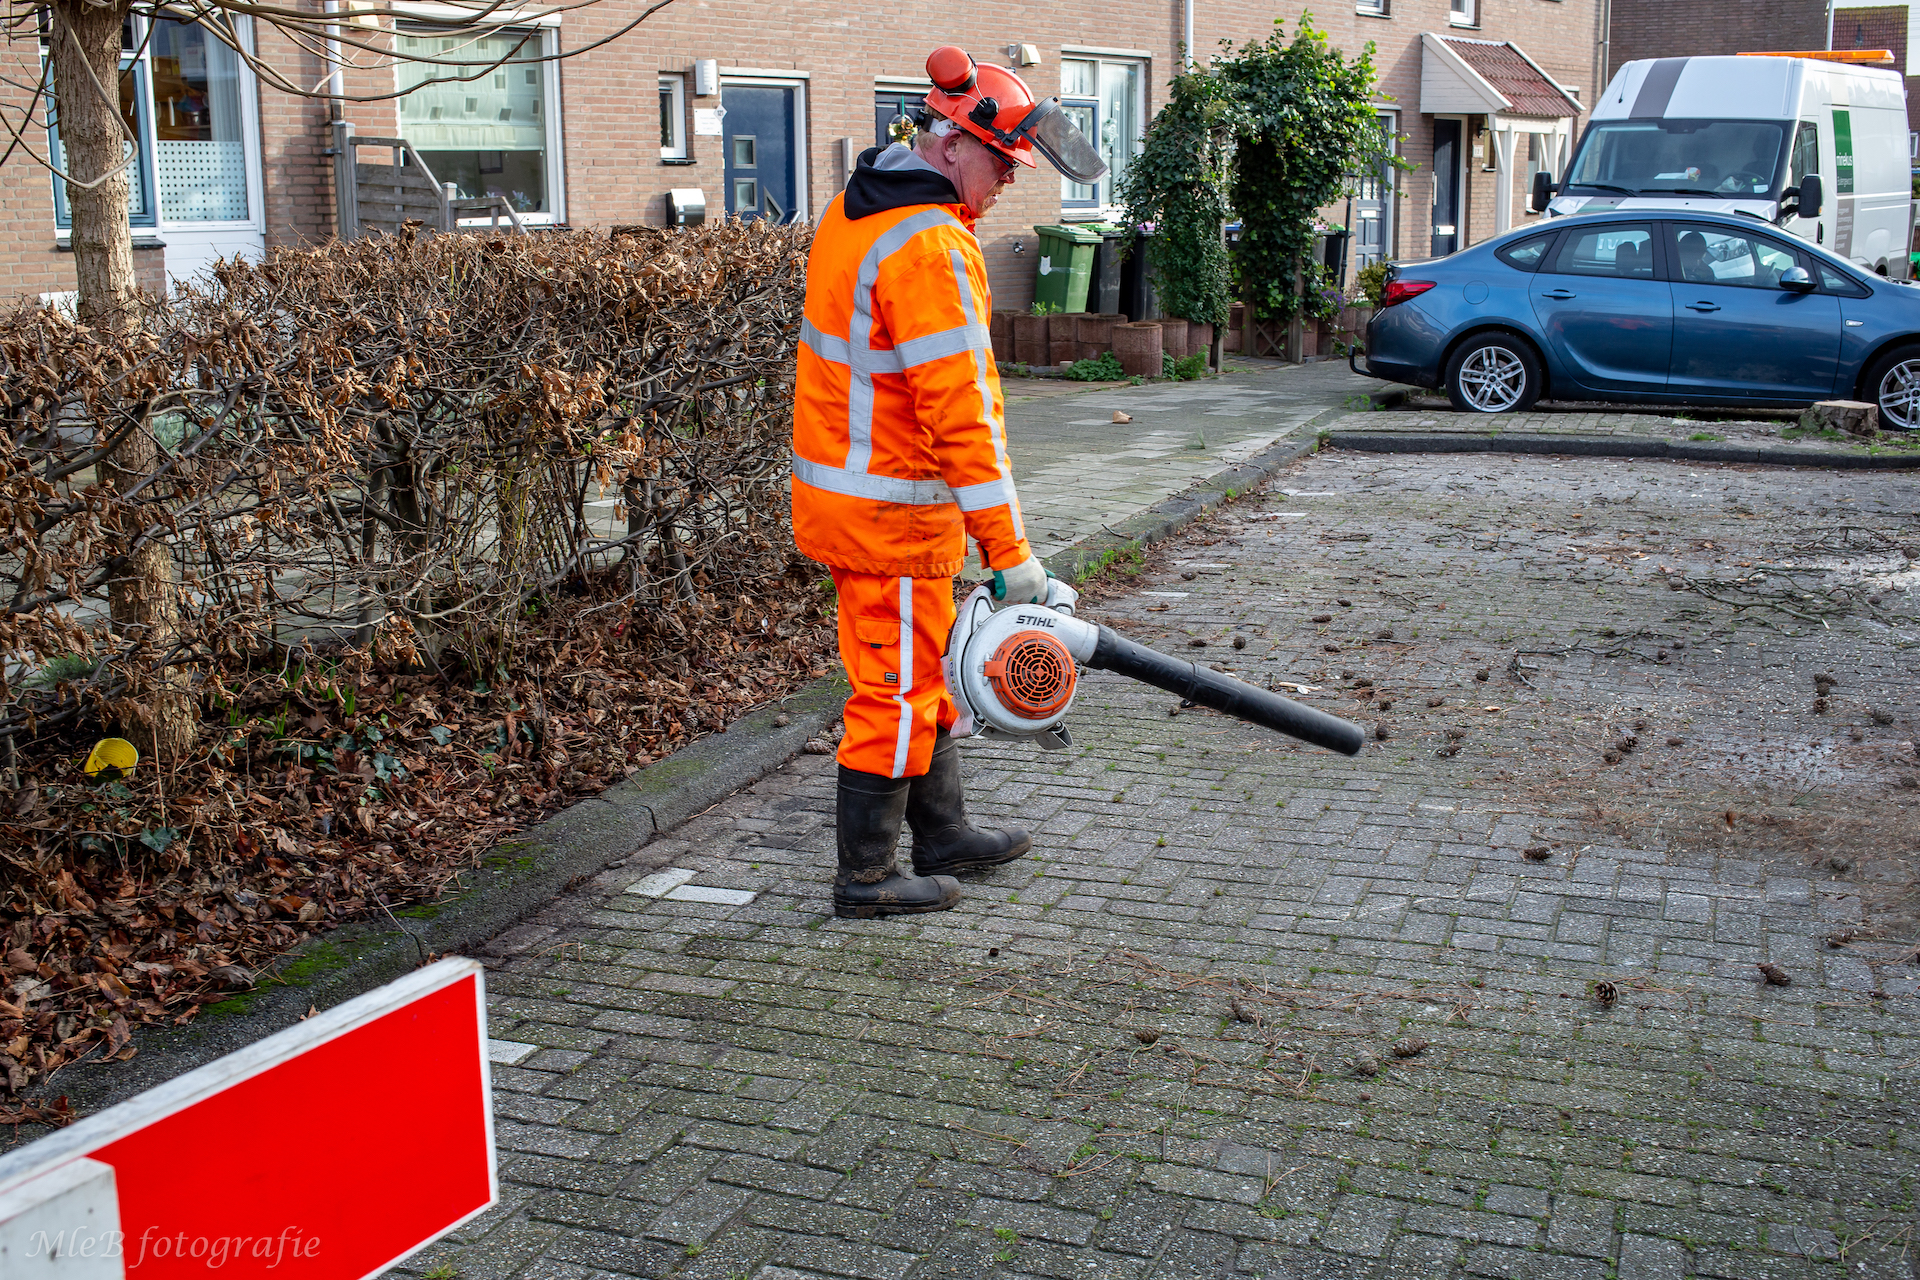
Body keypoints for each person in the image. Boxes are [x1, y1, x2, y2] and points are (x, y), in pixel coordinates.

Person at [791, 46, 1106, 919]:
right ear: (954, 143)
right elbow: (963, 414)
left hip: (865, 500)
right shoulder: (929, 245)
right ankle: (866, 877)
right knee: (894, 691)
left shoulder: (860, 209)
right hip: (887, 516)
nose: (1006, 182)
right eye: (1001, 163)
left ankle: (943, 834)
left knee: (919, 673)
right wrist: (1010, 553)